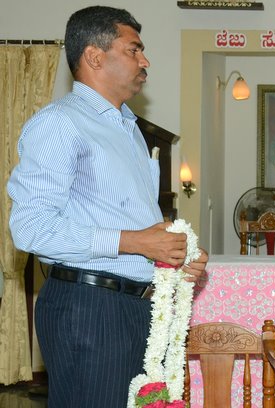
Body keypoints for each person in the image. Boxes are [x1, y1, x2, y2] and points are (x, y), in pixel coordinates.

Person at [6, 6, 208, 407]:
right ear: (94, 57)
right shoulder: (61, 124)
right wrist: (136, 242)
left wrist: (174, 253)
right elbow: (30, 229)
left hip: (135, 306)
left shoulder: (127, 127)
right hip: (90, 308)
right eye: (134, 50)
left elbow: (131, 221)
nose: (145, 61)